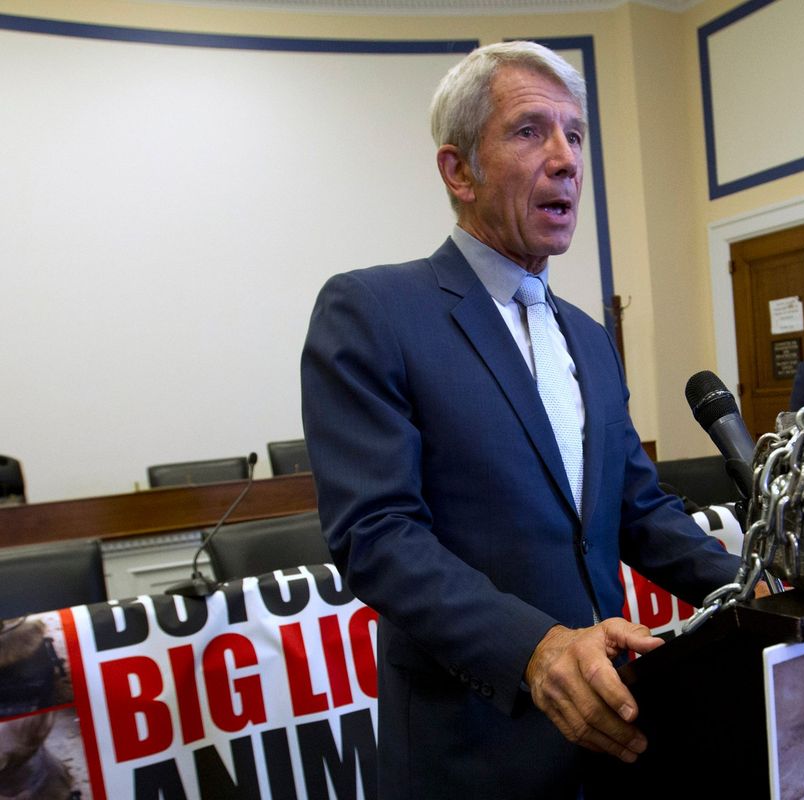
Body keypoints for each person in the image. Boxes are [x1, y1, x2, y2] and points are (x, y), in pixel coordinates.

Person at [300, 41, 740, 800]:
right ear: (458, 170)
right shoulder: (372, 311)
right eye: (531, 130)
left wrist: (750, 587)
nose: (567, 158)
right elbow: (377, 536)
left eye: (574, 134)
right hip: (471, 749)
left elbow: (637, 510)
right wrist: (535, 650)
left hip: (614, 732)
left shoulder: (590, 338)